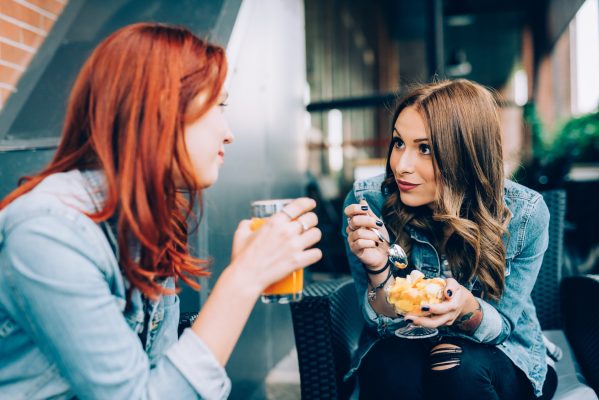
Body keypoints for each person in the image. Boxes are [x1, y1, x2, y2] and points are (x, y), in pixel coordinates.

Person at [0, 23, 321, 399]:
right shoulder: (49, 232)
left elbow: (163, 372)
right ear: (157, 110)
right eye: (217, 105)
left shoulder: (147, 223)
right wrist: (244, 279)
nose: (229, 132)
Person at [343, 79, 557, 399]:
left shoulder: (524, 213)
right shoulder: (369, 202)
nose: (401, 165)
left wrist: (466, 307)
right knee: (387, 366)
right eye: (399, 143)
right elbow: (380, 326)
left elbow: (504, 326)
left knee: (456, 366)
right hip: (405, 347)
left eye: (425, 148)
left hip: (501, 354)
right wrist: (378, 270)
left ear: (466, 154)